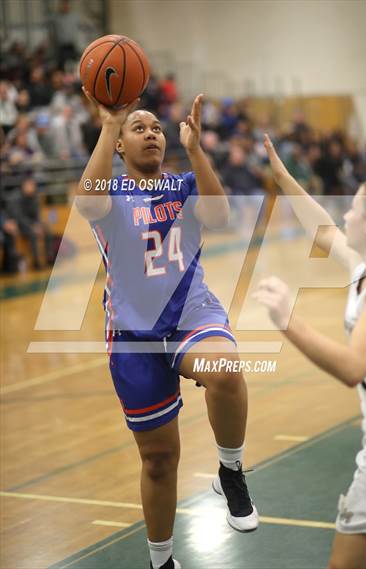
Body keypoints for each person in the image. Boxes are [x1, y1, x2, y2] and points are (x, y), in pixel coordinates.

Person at [76, 90, 259, 569]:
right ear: (119, 145)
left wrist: (197, 150)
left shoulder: (182, 185)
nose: (152, 133)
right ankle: (161, 562)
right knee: (159, 460)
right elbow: (86, 204)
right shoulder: (111, 195)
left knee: (224, 370)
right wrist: (111, 121)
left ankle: (231, 469)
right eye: (139, 128)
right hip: (134, 334)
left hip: (189, 314)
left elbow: (220, 216)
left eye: (156, 127)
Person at [254, 135, 366, 569]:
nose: (344, 212)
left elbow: (352, 367)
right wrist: (283, 175)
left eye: (354, 206)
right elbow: (322, 228)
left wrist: (289, 319)